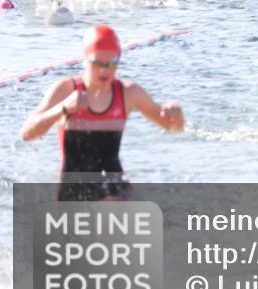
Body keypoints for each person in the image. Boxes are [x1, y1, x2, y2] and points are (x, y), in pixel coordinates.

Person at [20, 25, 184, 200]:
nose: (104, 71)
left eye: (111, 63)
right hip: (73, 194)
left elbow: (173, 128)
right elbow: (27, 134)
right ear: (84, 59)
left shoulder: (128, 93)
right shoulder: (66, 89)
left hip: (115, 192)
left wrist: (177, 114)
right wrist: (63, 108)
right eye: (97, 63)